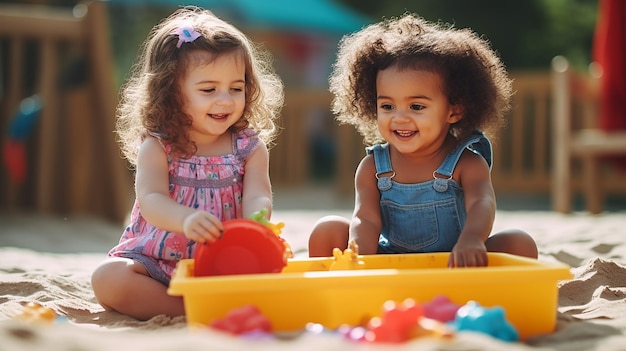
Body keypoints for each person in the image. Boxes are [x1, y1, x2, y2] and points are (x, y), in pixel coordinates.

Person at [91, 6, 284, 320]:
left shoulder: (248, 147)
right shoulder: (158, 145)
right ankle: (192, 310)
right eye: (208, 90)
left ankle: (212, 303)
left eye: (236, 88)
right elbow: (151, 199)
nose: (225, 99)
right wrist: (185, 219)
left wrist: (256, 220)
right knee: (108, 278)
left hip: (225, 262)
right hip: (159, 262)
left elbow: (258, 193)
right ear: (171, 92)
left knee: (277, 273)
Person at [308, 13, 538, 267]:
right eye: (387, 106)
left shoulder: (467, 164)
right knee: (327, 229)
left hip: (456, 261)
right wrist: (360, 257)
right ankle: (336, 293)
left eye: (416, 106)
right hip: (393, 263)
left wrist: (471, 239)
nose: (400, 118)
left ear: (454, 111)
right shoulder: (373, 167)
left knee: (519, 243)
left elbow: (481, 204)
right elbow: (366, 219)